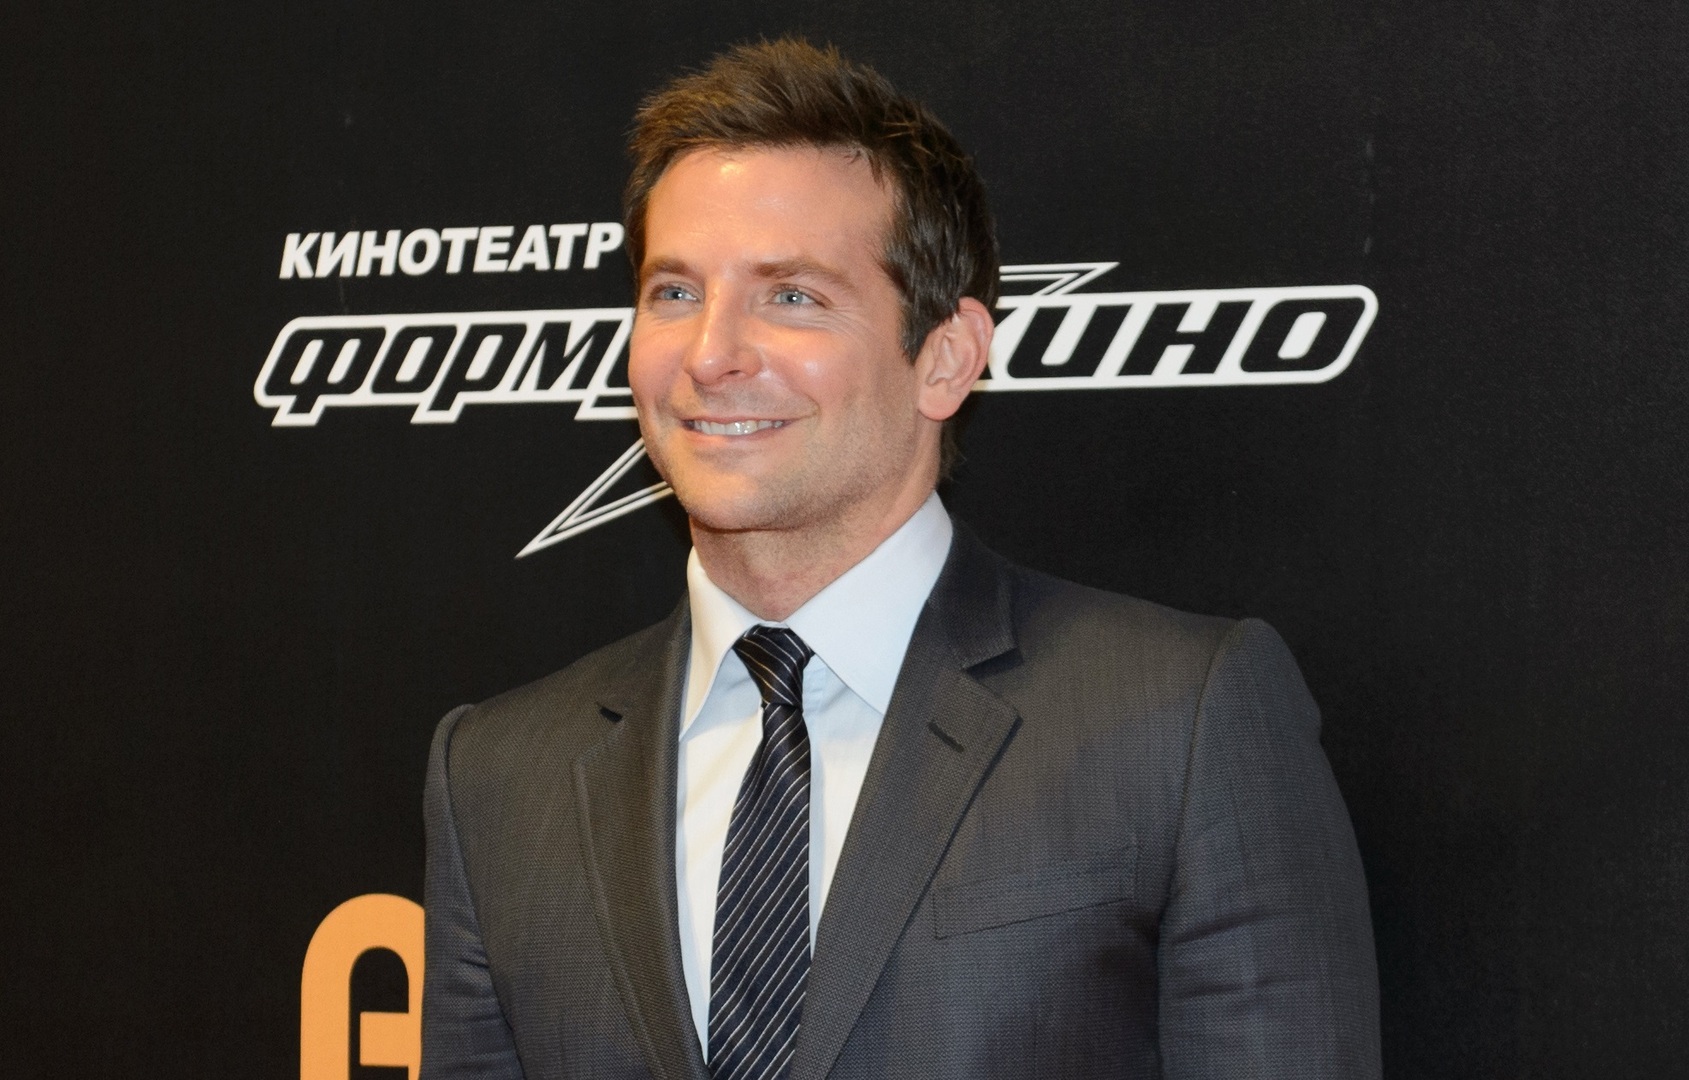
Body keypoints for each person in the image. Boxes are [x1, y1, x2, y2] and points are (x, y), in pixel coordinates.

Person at [421, 38, 1380, 1080]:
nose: (710, 354)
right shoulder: (497, 775)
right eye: (675, 293)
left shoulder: (1177, 725)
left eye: (791, 296)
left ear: (946, 358)